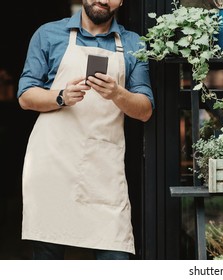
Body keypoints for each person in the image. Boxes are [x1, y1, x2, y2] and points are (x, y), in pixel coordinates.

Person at [17, 0, 153, 260]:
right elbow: (25, 96)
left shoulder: (134, 44)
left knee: (115, 259)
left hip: (103, 170)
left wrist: (117, 94)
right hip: (52, 167)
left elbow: (145, 110)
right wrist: (61, 96)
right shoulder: (48, 35)